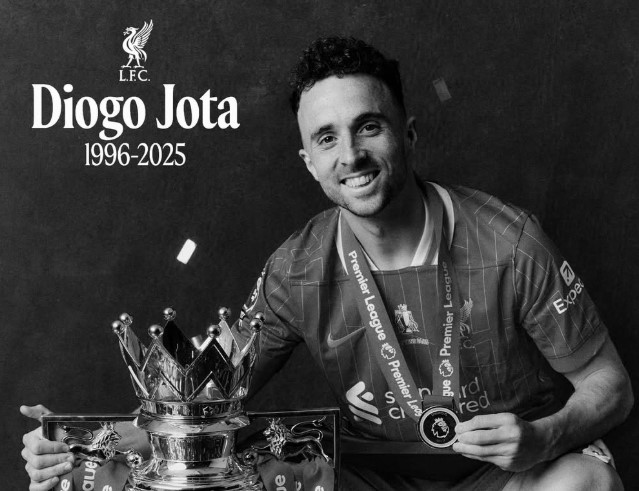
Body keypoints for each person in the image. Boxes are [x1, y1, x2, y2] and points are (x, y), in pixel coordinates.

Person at [22, 37, 633, 491]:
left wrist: (544, 438)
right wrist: (78, 443)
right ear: (309, 162)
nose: (351, 155)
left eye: (368, 127)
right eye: (327, 138)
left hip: (508, 474)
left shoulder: (510, 241)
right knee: (243, 473)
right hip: (372, 476)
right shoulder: (296, 267)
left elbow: (611, 386)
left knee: (586, 483)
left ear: (409, 134)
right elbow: (202, 403)